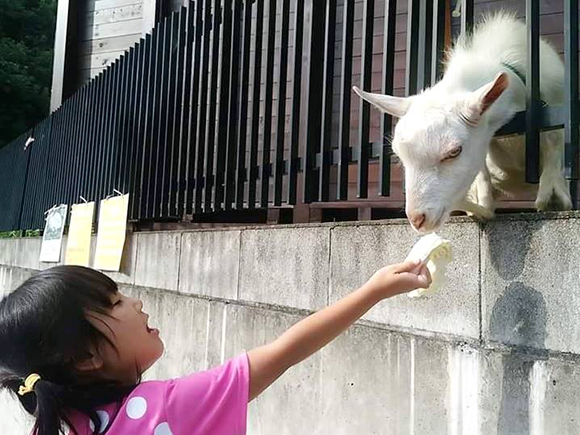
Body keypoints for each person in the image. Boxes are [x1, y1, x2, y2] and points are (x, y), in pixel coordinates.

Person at [0, 260, 431, 435]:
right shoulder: (165, 409)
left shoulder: (61, 422)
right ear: (86, 358)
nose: (136, 302)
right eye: (115, 303)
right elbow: (286, 350)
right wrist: (373, 291)